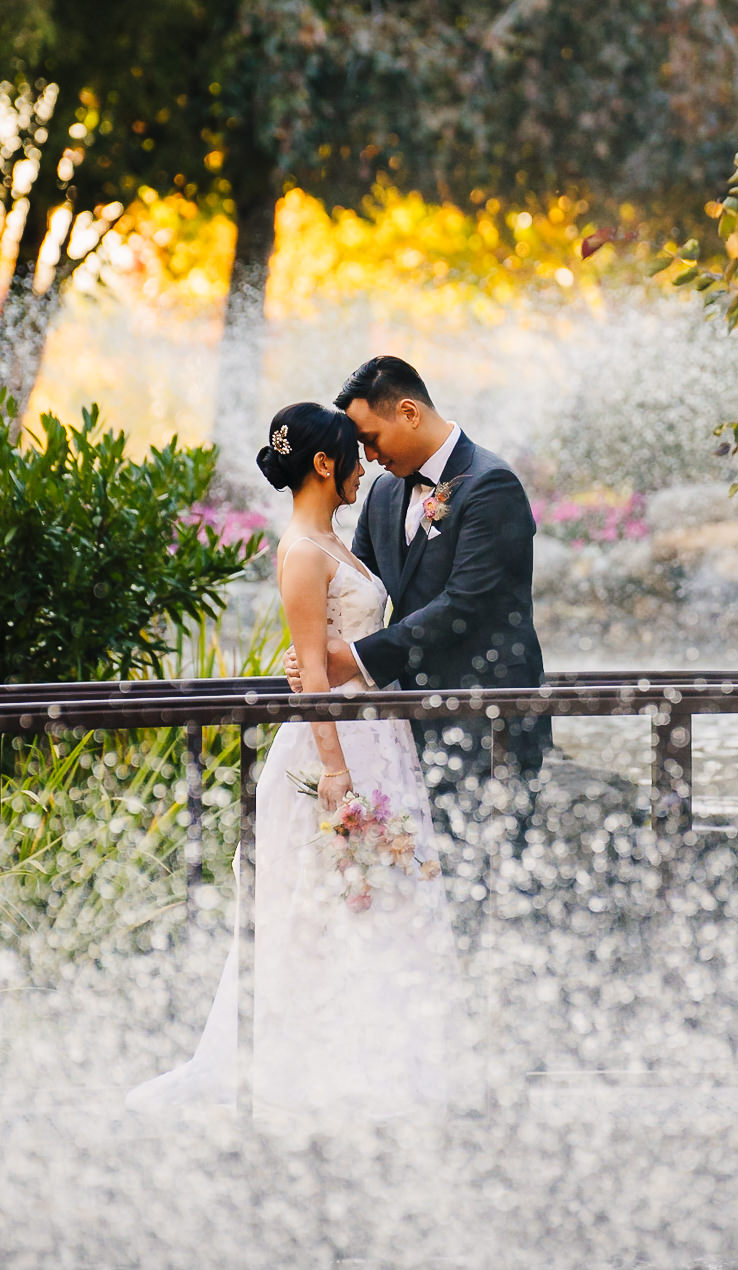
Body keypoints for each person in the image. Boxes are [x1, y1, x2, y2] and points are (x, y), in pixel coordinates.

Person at [126, 402, 457, 1118]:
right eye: (353, 454)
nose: (366, 465)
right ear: (322, 463)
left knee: (384, 898)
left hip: (380, 738)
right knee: (324, 906)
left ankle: (388, 1062)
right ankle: (313, 1071)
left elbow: (328, 657)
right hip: (332, 750)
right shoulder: (302, 552)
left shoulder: (336, 544)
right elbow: (309, 677)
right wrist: (335, 776)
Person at [290, 356, 550, 852]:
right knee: (424, 878)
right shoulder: (384, 494)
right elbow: (356, 586)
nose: (365, 456)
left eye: (369, 438)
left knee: (496, 878)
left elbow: (465, 604)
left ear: (408, 412)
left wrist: (356, 658)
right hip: (406, 723)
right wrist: (316, 650)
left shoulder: (491, 483)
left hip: (490, 718)